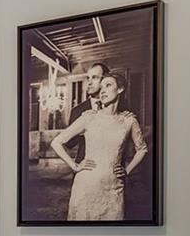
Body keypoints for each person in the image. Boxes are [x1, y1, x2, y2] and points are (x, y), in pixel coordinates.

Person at [50, 64, 148, 221]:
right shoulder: (87, 116)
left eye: (107, 85)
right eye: (101, 87)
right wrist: (75, 166)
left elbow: (142, 149)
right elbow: (58, 142)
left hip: (114, 186)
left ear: (120, 89)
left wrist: (127, 171)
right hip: (86, 183)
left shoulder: (129, 119)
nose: (102, 90)